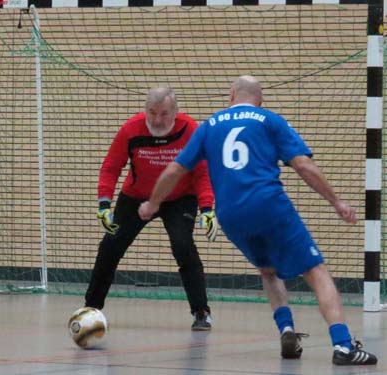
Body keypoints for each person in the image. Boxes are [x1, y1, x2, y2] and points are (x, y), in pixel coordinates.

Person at [139, 76, 377, 365]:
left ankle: (286, 328)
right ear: (260, 100)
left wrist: (152, 203)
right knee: (316, 271)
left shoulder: (209, 126)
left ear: (231, 96)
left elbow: (175, 170)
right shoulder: (269, 120)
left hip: (230, 215)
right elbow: (303, 165)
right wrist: (336, 201)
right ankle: (344, 346)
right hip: (268, 205)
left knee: (267, 271)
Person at [85, 87, 218, 330]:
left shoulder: (190, 130)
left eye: (164, 114)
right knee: (110, 246)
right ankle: (91, 309)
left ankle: (201, 311)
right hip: (137, 197)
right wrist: (104, 203)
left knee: (183, 245)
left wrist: (207, 208)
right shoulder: (131, 128)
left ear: (176, 112)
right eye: (152, 113)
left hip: (179, 198)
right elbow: (111, 166)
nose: (157, 120)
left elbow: (202, 172)